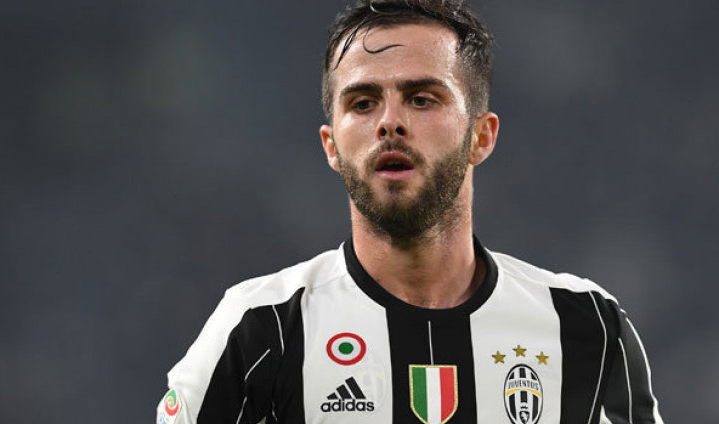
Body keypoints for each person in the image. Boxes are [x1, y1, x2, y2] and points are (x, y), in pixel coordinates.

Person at [156, 1, 664, 423]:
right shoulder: (261, 329)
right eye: (362, 103)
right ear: (331, 146)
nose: (390, 122)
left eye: (421, 99)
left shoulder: (586, 327)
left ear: (481, 136)